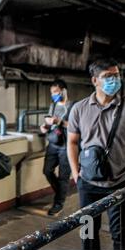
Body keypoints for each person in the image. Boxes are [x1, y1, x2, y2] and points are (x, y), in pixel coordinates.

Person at [67, 59, 125, 250]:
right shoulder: (79, 108)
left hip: (119, 183)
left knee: (120, 236)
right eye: (108, 76)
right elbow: (72, 142)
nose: (114, 80)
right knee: (88, 235)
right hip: (87, 184)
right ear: (95, 81)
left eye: (116, 75)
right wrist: (76, 173)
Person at [40, 79, 73, 216]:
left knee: (63, 177)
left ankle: (58, 203)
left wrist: (59, 121)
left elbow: (76, 126)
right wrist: (45, 127)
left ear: (64, 90)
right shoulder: (53, 106)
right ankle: (60, 192)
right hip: (53, 143)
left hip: (67, 146)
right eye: (52, 93)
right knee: (47, 171)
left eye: (56, 92)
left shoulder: (73, 106)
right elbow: (50, 124)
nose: (54, 95)